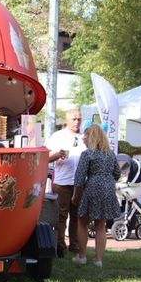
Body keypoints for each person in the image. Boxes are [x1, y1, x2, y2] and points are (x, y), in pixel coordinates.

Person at [71, 123, 121, 267]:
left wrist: (75, 195)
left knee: (82, 222)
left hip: (92, 188)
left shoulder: (87, 154)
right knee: (100, 225)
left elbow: (79, 178)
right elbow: (117, 173)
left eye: (85, 136)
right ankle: (98, 260)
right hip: (108, 189)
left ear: (92, 137)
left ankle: (82, 256)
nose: (83, 138)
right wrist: (107, 180)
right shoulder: (110, 153)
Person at [47, 109, 87, 256]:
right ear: (67, 120)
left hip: (80, 182)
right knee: (61, 214)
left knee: (77, 215)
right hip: (62, 181)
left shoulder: (85, 136)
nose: (77, 122)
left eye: (79, 119)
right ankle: (60, 244)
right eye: (74, 119)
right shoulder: (58, 136)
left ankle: (74, 244)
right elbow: (46, 157)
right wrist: (57, 155)